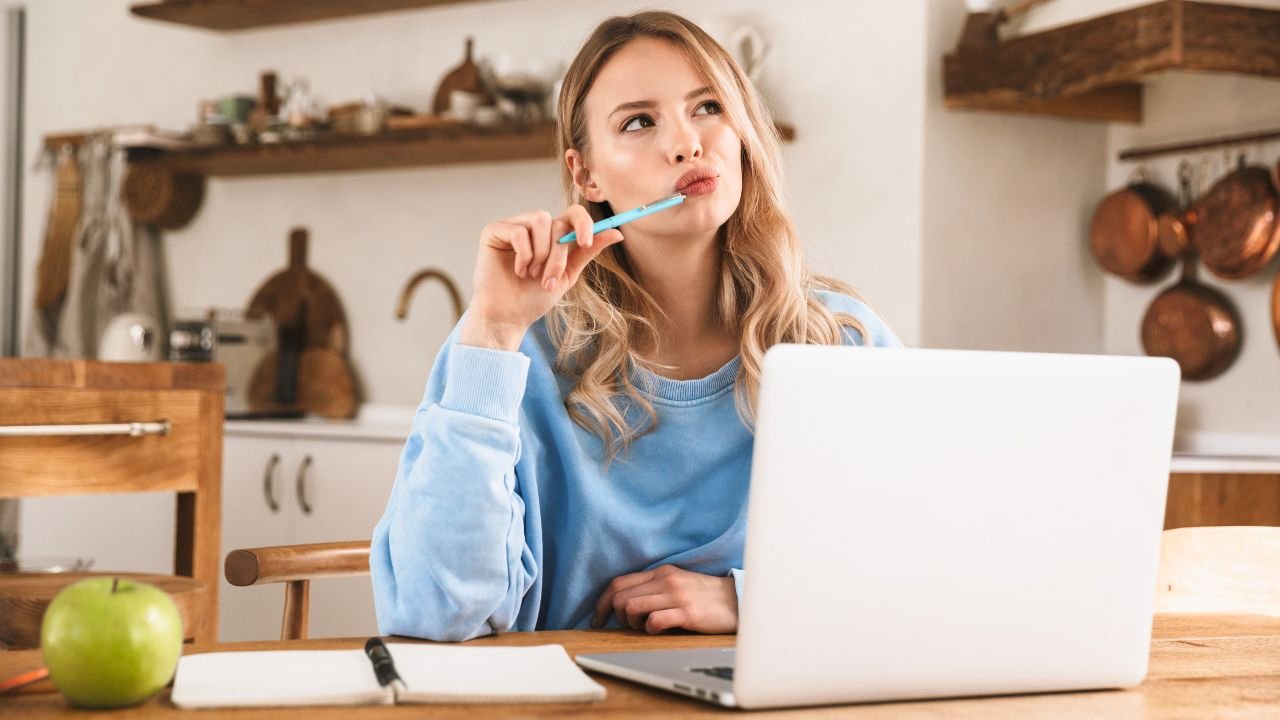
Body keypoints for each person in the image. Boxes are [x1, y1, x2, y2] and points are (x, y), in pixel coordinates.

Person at [371, 10, 901, 642]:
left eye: (708, 107)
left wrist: (749, 601)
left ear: (742, 134)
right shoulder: (514, 347)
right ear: (585, 174)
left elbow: (925, 566)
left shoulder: (842, 341)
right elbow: (435, 617)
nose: (686, 144)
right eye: (639, 121)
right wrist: (491, 331)